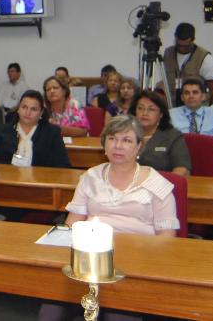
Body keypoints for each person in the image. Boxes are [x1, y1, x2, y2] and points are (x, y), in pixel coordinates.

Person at [38, 116, 178, 321]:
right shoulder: (90, 177)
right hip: (89, 261)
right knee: (50, 312)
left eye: (127, 140)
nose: (118, 146)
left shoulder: (157, 183)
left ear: (139, 146)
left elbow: (167, 238)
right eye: (112, 138)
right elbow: (72, 224)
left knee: (118, 315)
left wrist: (141, 257)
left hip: (135, 264)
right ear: (104, 144)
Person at [0, 90, 70, 168]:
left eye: (33, 109)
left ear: (41, 113)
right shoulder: (3, 130)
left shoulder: (52, 133)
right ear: (18, 109)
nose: (28, 112)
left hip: (40, 182)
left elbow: (63, 165)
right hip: (8, 180)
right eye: (24, 107)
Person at [131, 90, 191, 176]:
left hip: (163, 185)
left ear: (161, 114)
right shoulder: (126, 134)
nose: (144, 113)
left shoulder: (173, 136)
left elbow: (182, 169)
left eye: (151, 109)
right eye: (140, 108)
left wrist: (165, 186)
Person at [161, 23, 213, 106]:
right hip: (173, 106)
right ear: (175, 38)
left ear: (193, 40)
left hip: (197, 107)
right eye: (179, 45)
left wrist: (206, 108)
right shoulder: (168, 53)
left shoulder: (204, 57)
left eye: (185, 46)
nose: (182, 48)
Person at [169, 78, 213, 143]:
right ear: (182, 97)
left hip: (208, 153)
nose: (191, 96)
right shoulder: (171, 114)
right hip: (179, 153)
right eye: (187, 93)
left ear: (203, 96)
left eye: (195, 92)